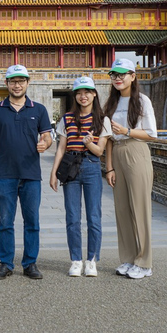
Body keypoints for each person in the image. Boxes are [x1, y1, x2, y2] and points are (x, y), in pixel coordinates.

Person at [0, 65, 53, 280]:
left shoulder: (39, 109)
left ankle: (30, 263)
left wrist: (45, 144)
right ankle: (6, 263)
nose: (17, 84)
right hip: (5, 174)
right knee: (5, 222)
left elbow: (47, 136)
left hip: (31, 174)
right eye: (13, 81)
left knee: (32, 221)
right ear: (6, 83)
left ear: (28, 83)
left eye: (21, 80)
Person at [49, 76, 111, 277]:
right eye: (79, 93)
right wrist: (53, 173)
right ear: (74, 96)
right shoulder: (66, 119)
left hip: (92, 167)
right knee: (72, 217)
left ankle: (92, 260)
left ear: (94, 94)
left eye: (87, 92)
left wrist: (88, 143)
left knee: (94, 217)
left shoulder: (103, 119)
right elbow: (60, 149)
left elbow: (100, 151)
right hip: (70, 168)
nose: (83, 96)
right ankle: (76, 260)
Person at [103, 58, 158, 279]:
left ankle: (144, 262)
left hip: (136, 151)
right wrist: (109, 168)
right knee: (122, 210)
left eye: (122, 74)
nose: (117, 78)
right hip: (117, 153)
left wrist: (126, 131)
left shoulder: (142, 101)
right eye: (114, 75)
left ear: (133, 76)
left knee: (140, 209)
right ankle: (127, 258)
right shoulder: (110, 104)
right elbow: (108, 138)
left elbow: (152, 134)